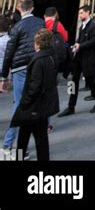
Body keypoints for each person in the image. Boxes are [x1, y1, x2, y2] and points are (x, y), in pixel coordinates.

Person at [1, 0, 44, 153]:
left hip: (19, 68)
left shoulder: (16, 27)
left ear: (20, 9)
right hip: (37, 66)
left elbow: (9, 53)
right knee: (33, 106)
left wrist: (4, 76)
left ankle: (9, 144)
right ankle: (21, 148)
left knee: (19, 105)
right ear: (32, 8)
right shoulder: (41, 23)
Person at [11, 29, 59, 161]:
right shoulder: (51, 56)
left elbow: (34, 86)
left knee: (27, 138)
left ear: (37, 43)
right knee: (38, 138)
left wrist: (25, 103)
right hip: (43, 105)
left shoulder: (38, 60)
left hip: (33, 107)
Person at [58, 5, 95, 117]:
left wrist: (80, 45)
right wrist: (76, 45)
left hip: (88, 59)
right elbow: (79, 39)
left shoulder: (94, 26)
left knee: (90, 82)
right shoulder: (81, 26)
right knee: (73, 82)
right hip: (78, 59)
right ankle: (70, 106)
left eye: (82, 13)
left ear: (88, 12)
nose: (80, 15)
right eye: (79, 13)